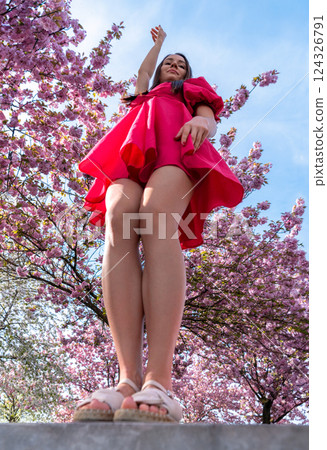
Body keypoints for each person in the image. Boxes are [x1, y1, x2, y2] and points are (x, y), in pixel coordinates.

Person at [73, 26, 244, 423]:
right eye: (170, 63)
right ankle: (128, 381)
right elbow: (141, 74)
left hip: (177, 150)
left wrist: (204, 125)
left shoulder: (190, 91)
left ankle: (159, 380)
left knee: (157, 222)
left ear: (187, 74)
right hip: (129, 154)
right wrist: (158, 46)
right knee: (118, 222)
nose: (174, 66)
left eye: (180, 64)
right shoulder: (143, 95)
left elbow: (207, 117)